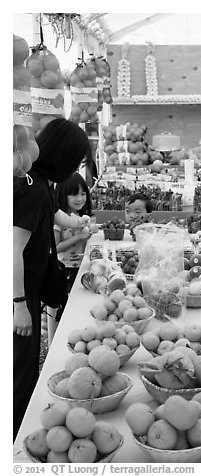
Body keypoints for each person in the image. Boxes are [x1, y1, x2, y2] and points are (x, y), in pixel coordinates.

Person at [13, 118, 90, 441]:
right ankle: (16, 438)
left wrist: (74, 220)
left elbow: (50, 213)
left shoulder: (39, 182)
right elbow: (12, 249)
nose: (75, 167)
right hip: (19, 293)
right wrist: (19, 305)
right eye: (75, 161)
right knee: (19, 373)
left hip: (27, 289)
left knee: (25, 366)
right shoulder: (32, 189)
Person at [54, 172, 93, 293]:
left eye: (83, 194)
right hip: (66, 268)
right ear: (63, 195)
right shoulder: (59, 220)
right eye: (74, 194)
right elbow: (56, 247)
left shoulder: (79, 217)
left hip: (82, 266)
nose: (80, 199)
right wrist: (80, 237)